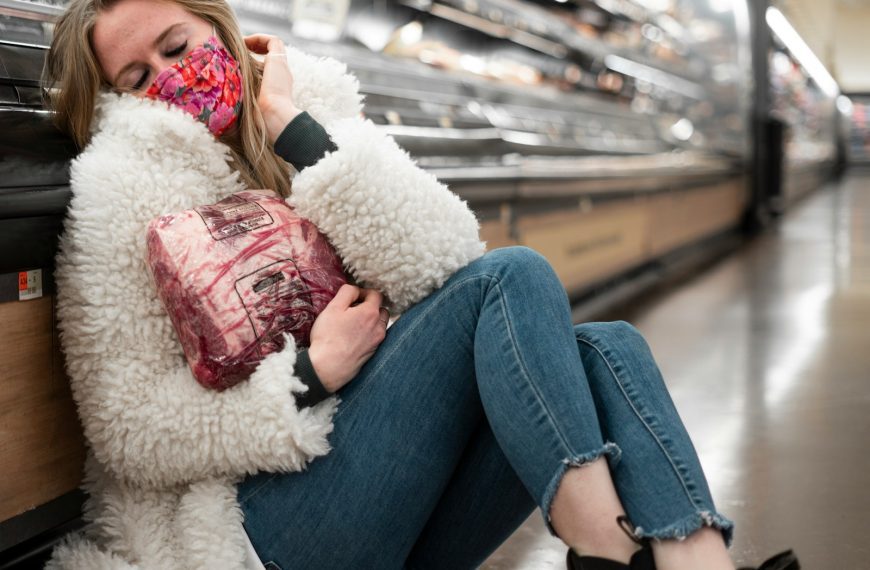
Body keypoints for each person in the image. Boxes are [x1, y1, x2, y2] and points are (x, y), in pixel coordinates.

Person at [43, 1, 798, 569]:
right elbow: (128, 431)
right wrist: (306, 377)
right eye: (136, 77)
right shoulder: (124, 188)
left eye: (178, 47)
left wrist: (293, 125)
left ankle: (693, 560)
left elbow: (438, 257)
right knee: (517, 276)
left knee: (605, 345)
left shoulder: (312, 110)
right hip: (248, 532)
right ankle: (612, 554)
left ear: (221, 28)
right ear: (110, 99)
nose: (171, 77)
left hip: (381, 488)